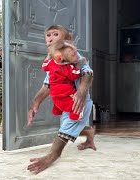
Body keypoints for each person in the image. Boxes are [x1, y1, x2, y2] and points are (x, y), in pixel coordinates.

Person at [27, 25, 96, 174]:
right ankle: (89, 132)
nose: (50, 38)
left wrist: (82, 91)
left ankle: (52, 156)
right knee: (70, 126)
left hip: (78, 102)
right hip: (65, 103)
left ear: (67, 40)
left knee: (65, 130)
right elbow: (47, 85)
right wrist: (35, 103)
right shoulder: (53, 61)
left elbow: (88, 73)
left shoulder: (74, 55)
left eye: (55, 34)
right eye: (48, 35)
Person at [42, 40, 87, 120]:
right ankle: (75, 114)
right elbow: (73, 76)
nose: (77, 56)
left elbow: (44, 66)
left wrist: (48, 56)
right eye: (73, 55)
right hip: (65, 92)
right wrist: (78, 65)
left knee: (57, 101)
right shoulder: (67, 67)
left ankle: (57, 110)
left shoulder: (51, 63)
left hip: (54, 93)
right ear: (60, 58)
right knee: (75, 103)